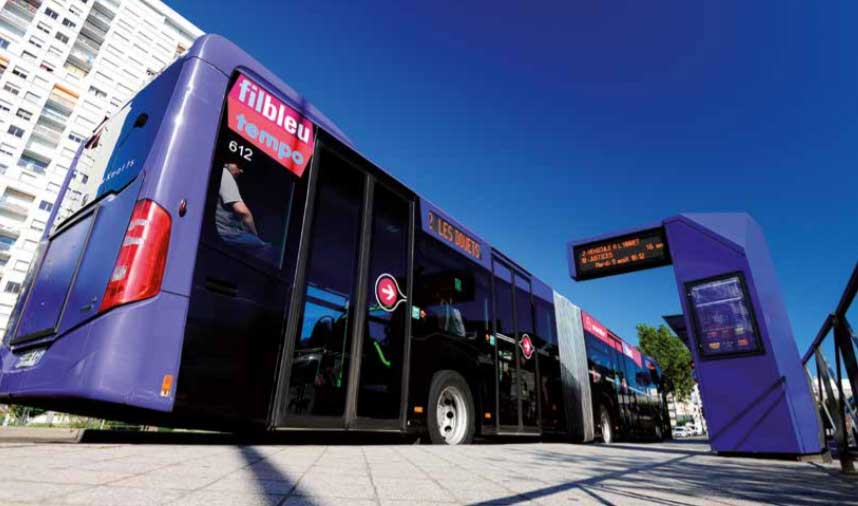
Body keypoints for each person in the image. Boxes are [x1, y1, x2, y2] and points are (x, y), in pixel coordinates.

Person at [215, 162, 272, 259]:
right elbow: (244, 212)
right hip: (227, 233)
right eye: (239, 166)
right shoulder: (226, 174)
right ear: (228, 163)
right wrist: (255, 235)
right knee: (267, 248)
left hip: (222, 230)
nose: (241, 171)